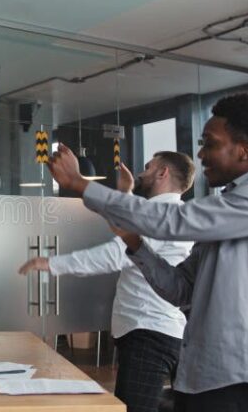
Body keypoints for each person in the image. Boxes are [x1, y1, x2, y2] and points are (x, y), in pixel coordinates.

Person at [46, 93, 248, 412]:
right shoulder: (229, 210)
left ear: (245, 149)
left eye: (210, 143)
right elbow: (182, 289)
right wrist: (137, 245)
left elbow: (174, 220)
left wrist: (80, 184)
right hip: (199, 374)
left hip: (239, 380)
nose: (200, 153)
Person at [19, 151, 195, 412]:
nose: (142, 172)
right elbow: (134, 236)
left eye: (149, 167)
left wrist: (52, 263)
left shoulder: (158, 214)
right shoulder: (174, 213)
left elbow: (118, 253)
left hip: (148, 333)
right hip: (164, 330)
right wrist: (126, 195)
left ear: (163, 173)